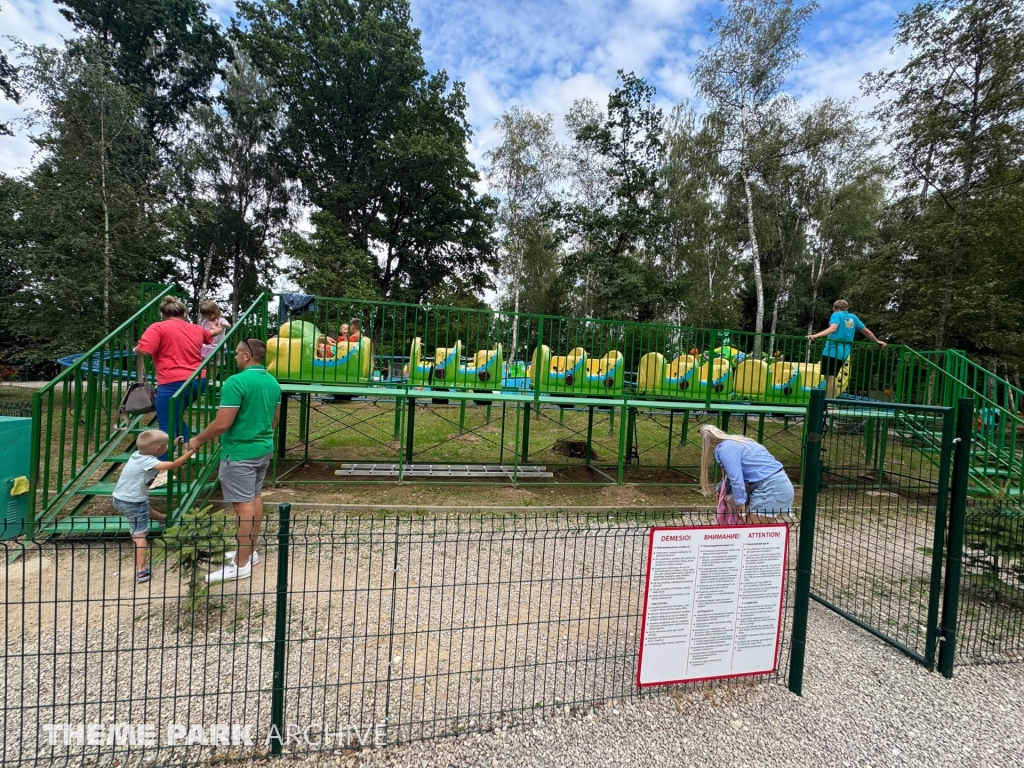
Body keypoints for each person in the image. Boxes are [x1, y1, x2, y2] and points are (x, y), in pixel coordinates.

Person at [187, 339, 282, 584]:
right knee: (255, 497)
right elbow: (275, 418)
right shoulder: (272, 382)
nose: (236, 357)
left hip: (239, 453)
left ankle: (240, 565)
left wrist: (197, 440)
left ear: (248, 355)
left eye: (238, 353)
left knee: (243, 507)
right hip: (263, 449)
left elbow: (222, 423)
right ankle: (249, 552)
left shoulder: (236, 382)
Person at [135, 296, 212, 473]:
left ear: (163, 314)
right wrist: (216, 331)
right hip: (197, 381)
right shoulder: (196, 328)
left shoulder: (158, 327)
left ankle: (162, 471)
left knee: (166, 425)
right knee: (175, 417)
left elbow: (144, 350)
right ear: (184, 313)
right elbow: (208, 338)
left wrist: (136, 349)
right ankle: (186, 446)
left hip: (173, 383)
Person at [111, 430, 196, 584]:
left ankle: (164, 519)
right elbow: (174, 464)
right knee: (139, 536)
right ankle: (141, 570)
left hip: (119, 499)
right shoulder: (148, 462)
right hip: (133, 502)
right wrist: (190, 452)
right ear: (158, 450)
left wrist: (173, 444)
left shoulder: (137, 455)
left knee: (145, 510)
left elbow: (158, 449)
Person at [699, 425, 794, 523]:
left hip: (769, 488)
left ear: (707, 443)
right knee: (759, 534)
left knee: (751, 534)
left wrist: (741, 511)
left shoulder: (725, 449)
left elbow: (737, 481)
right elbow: (732, 473)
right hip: (778, 484)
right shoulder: (739, 441)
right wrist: (720, 487)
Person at [807, 299, 887, 398]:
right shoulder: (853, 317)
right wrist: (877, 341)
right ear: (846, 308)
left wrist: (816, 335)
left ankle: (829, 402)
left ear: (834, 308)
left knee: (829, 378)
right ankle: (832, 402)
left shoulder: (836, 315)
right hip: (844, 352)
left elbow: (833, 328)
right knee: (832, 378)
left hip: (832, 350)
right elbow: (866, 331)